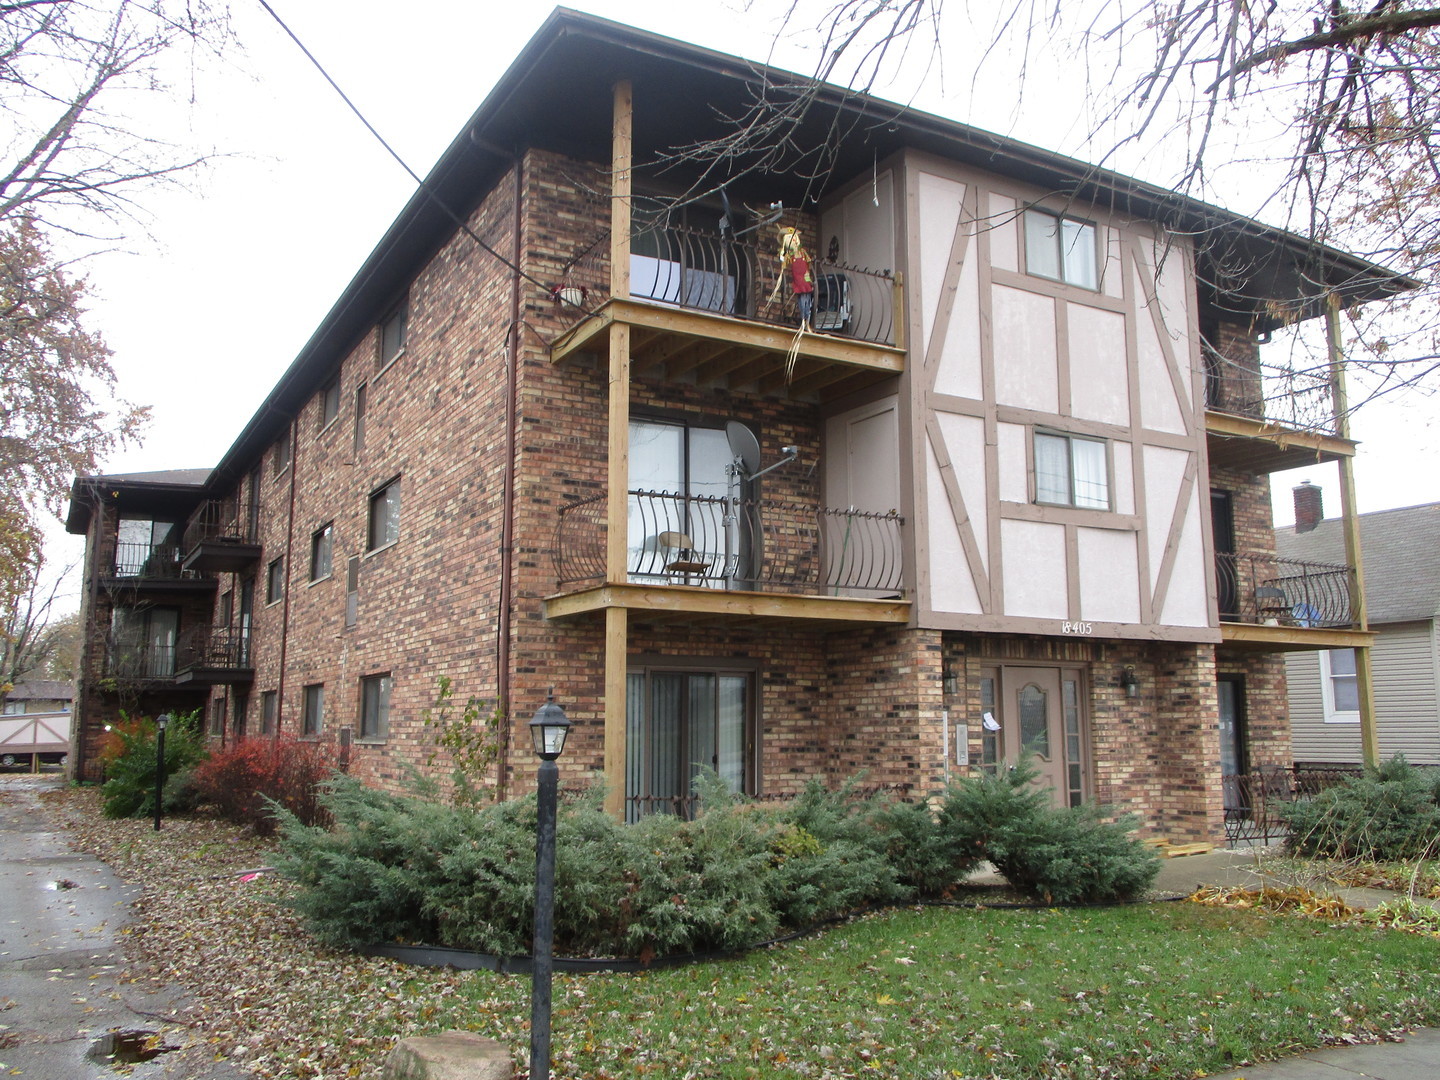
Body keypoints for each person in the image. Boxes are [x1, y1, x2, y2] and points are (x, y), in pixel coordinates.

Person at [771, 227, 815, 330]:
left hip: (805, 277)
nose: (794, 240)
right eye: (791, 238)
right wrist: (782, 253)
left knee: (807, 297)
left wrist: (809, 278)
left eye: (795, 237)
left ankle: (807, 319)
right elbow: (783, 260)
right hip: (798, 278)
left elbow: (808, 263)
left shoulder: (803, 252)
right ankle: (804, 319)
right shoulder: (790, 255)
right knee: (802, 298)